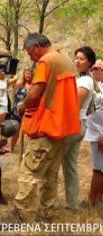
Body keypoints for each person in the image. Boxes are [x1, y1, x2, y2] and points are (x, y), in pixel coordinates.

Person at [13, 33, 80, 222]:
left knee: (29, 172)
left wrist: (22, 106)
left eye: (29, 52)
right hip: (63, 129)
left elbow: (34, 94)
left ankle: (22, 214)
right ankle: (46, 213)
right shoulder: (65, 59)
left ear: (36, 47)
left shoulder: (46, 61)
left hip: (47, 127)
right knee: (50, 174)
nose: (30, 57)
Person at [61, 46, 96, 211]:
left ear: (89, 63)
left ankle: (50, 203)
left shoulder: (86, 81)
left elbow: (74, 105)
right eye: (76, 57)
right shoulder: (79, 79)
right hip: (78, 126)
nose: (77, 61)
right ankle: (72, 205)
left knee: (52, 162)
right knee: (70, 166)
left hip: (73, 125)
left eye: (82, 59)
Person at [84, 59, 103, 207]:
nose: (94, 70)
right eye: (93, 68)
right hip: (95, 130)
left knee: (98, 168)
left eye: (97, 68)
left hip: (100, 133)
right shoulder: (95, 86)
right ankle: (98, 198)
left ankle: (91, 200)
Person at [10, 67, 33, 151]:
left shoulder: (33, 86)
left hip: (27, 111)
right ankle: (11, 147)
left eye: (29, 74)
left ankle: (26, 149)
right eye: (26, 73)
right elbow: (14, 94)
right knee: (15, 130)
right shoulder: (19, 84)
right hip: (17, 111)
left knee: (26, 132)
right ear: (24, 74)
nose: (28, 75)